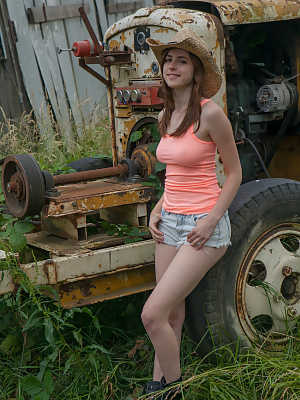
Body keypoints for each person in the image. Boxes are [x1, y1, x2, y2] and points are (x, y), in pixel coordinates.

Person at [140, 29, 242, 399]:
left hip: (202, 226)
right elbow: (175, 174)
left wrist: (212, 219)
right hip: (170, 223)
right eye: (168, 59)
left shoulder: (210, 114)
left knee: (151, 315)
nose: (171, 66)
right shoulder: (167, 114)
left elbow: (234, 173)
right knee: (169, 315)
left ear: (196, 71)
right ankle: (159, 387)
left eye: (181, 60)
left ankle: (176, 388)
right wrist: (159, 207)